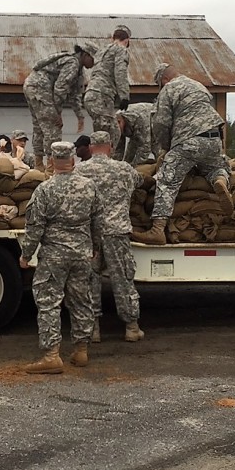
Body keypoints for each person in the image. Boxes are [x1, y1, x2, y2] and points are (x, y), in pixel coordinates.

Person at [17, 141, 100, 373]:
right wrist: (95, 246)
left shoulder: (44, 190)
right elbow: (98, 221)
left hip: (54, 256)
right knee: (81, 300)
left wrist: (26, 255)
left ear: (52, 162)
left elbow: (35, 227)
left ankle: (52, 355)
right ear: (73, 161)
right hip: (82, 253)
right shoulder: (89, 187)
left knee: (49, 303)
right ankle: (81, 351)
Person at [133, 63, 233, 245]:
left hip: (188, 141)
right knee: (215, 167)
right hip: (214, 138)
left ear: (164, 79)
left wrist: (165, 148)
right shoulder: (198, 85)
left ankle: (157, 231)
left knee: (166, 181)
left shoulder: (169, 89)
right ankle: (219, 179)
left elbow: (161, 123)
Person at [76, 131, 143, 342]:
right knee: (122, 279)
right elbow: (140, 181)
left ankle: (93, 329)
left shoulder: (80, 170)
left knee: (89, 280)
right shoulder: (124, 169)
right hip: (117, 232)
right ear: (110, 146)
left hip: (89, 234)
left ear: (91, 147)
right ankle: (131, 327)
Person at [22, 42, 96, 171]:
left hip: (32, 86)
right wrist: (57, 113)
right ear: (85, 55)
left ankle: (39, 164)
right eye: (93, 59)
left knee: (39, 126)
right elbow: (60, 88)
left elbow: (73, 95)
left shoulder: (76, 68)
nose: (94, 63)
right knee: (54, 126)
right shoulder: (73, 64)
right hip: (41, 88)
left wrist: (80, 116)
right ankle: (51, 167)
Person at [84, 25, 132, 149]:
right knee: (113, 133)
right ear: (127, 40)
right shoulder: (121, 50)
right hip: (102, 95)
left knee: (101, 132)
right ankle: (107, 163)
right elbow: (120, 72)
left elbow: (87, 44)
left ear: (112, 38)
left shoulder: (102, 50)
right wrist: (124, 96)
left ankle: (98, 160)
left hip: (90, 94)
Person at [115, 101, 159, 165]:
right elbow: (118, 150)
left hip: (152, 119)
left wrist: (133, 167)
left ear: (120, 122)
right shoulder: (115, 122)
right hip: (133, 128)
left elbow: (145, 149)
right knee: (128, 160)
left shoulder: (139, 119)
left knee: (158, 151)